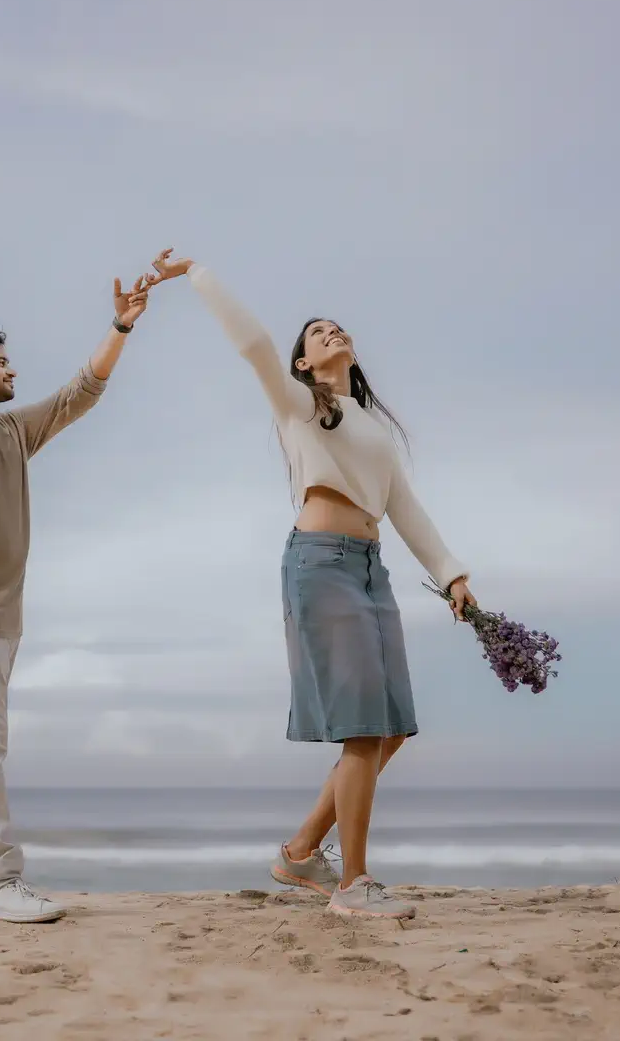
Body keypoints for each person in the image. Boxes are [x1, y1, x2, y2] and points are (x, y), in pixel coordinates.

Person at [146, 248, 475, 920]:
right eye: (317, 333)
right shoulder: (299, 403)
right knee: (362, 730)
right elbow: (256, 344)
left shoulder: (373, 428)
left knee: (391, 730)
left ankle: (300, 854)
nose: (332, 333)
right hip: (321, 564)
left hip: (370, 570)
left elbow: (405, 507)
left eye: (337, 327)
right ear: (304, 362)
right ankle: (353, 886)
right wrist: (196, 276)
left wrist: (453, 576)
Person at [0, 272, 154, 923]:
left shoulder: (12, 433)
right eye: (1, 362)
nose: (13, 371)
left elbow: (79, 394)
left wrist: (122, 326)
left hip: (5, 619)